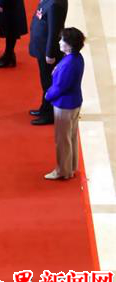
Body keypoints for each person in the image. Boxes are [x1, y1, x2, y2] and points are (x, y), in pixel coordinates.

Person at [44, 28, 86, 180]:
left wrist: (48, 95)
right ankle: (71, 167)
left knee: (62, 140)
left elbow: (61, 87)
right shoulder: (76, 57)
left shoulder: (68, 64)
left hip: (64, 105)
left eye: (63, 40)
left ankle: (62, 171)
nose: (60, 42)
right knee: (71, 137)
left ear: (69, 45)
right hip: (74, 102)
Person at [28, 0, 68, 126]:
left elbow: (54, 30)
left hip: (47, 49)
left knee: (48, 83)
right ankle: (44, 108)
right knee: (45, 81)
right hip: (42, 46)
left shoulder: (55, 3)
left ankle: (49, 114)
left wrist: (50, 53)